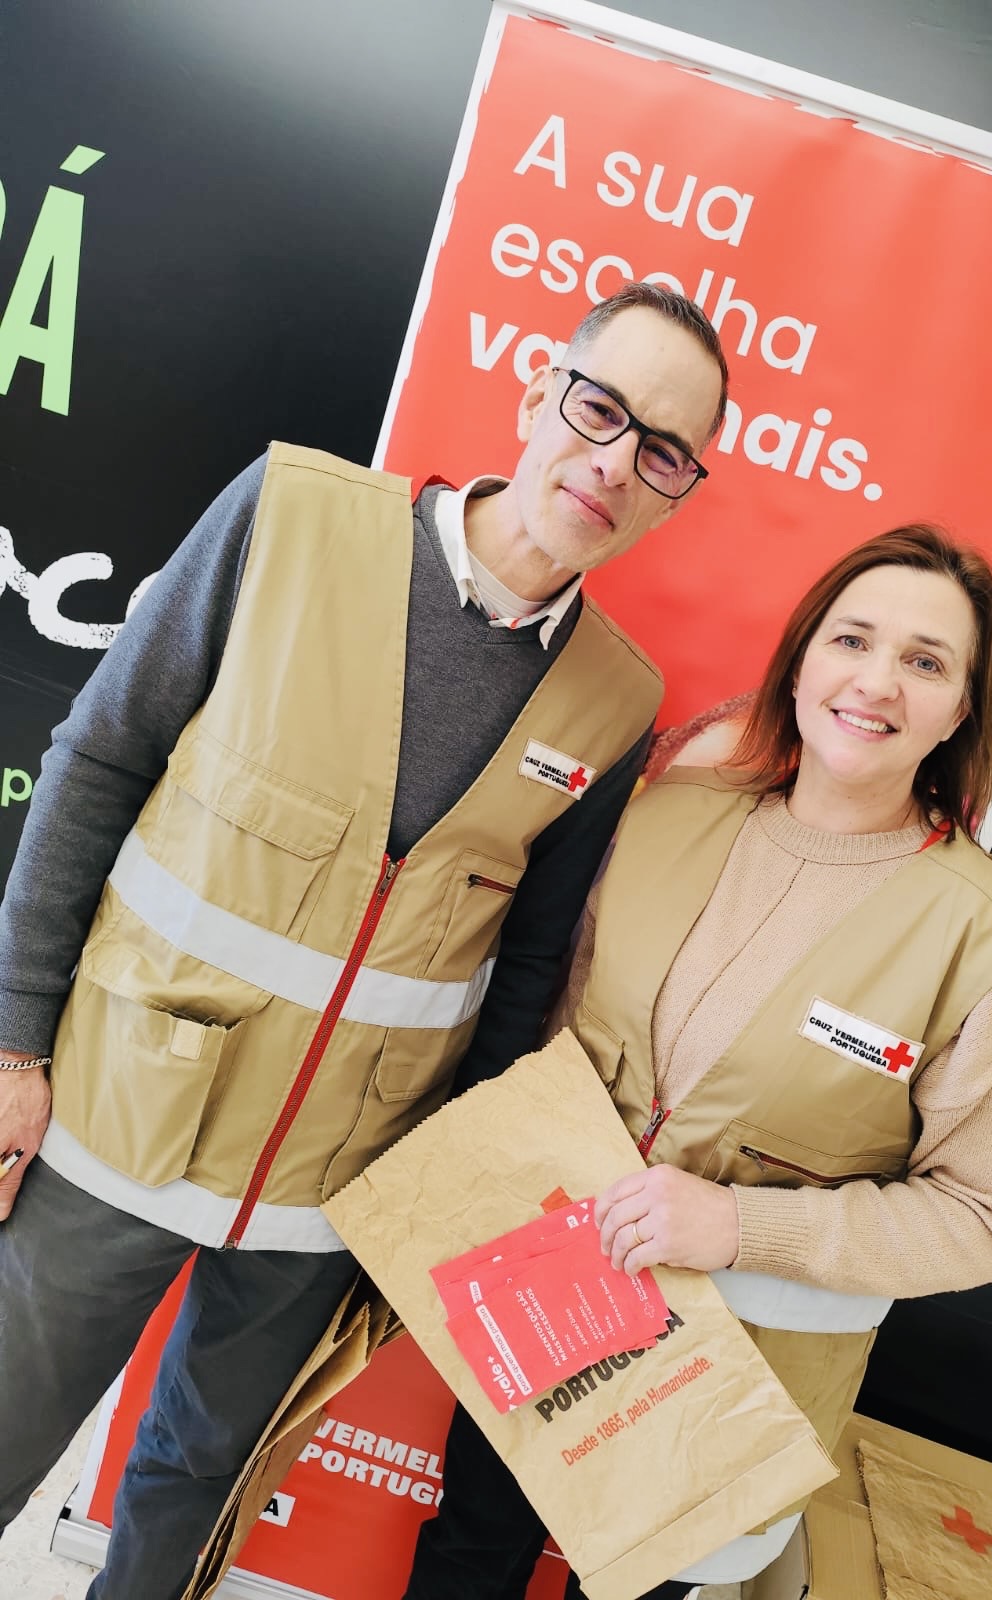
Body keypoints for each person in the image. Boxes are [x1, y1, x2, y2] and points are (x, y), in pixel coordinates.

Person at [0, 281, 728, 1600]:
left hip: (329, 1185)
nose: (617, 462)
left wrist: (442, 1193)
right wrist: (12, 1041)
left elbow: (524, 970)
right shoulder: (292, 515)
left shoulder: (617, 701)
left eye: (665, 450)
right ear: (538, 392)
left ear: (680, 495)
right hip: (115, 1110)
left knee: (199, 1475)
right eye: (600, 410)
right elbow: (99, 759)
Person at [404, 524, 992, 1600]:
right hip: (552, 1297)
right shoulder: (665, 815)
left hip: (728, 1377)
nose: (876, 681)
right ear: (799, 662)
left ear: (960, 710)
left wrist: (740, 1226)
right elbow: (561, 1020)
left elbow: (986, 1219)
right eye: (852, 639)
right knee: (469, 1550)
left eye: (925, 660)